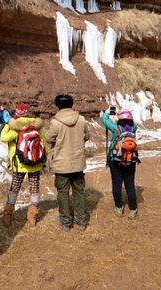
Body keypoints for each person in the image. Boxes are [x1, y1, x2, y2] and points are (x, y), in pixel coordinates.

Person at [44, 94, 89, 231]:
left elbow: (48, 138)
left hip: (61, 163)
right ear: (72, 104)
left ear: (57, 105)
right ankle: (81, 222)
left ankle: (66, 223)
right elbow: (86, 137)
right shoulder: (81, 119)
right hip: (78, 161)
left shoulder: (55, 122)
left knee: (63, 193)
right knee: (79, 192)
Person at [0, 103, 45, 227]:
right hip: (35, 163)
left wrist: (8, 124)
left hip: (19, 164)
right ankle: (32, 216)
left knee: (14, 188)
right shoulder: (35, 127)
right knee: (34, 189)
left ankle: (7, 215)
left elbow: (3, 138)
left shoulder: (16, 128)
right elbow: (43, 143)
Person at [101, 107, 138, 218]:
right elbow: (132, 121)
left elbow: (104, 120)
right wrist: (124, 113)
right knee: (130, 185)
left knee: (116, 185)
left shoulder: (115, 127)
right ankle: (133, 210)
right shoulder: (133, 127)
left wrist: (107, 113)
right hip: (130, 160)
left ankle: (119, 208)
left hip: (115, 159)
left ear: (119, 118)